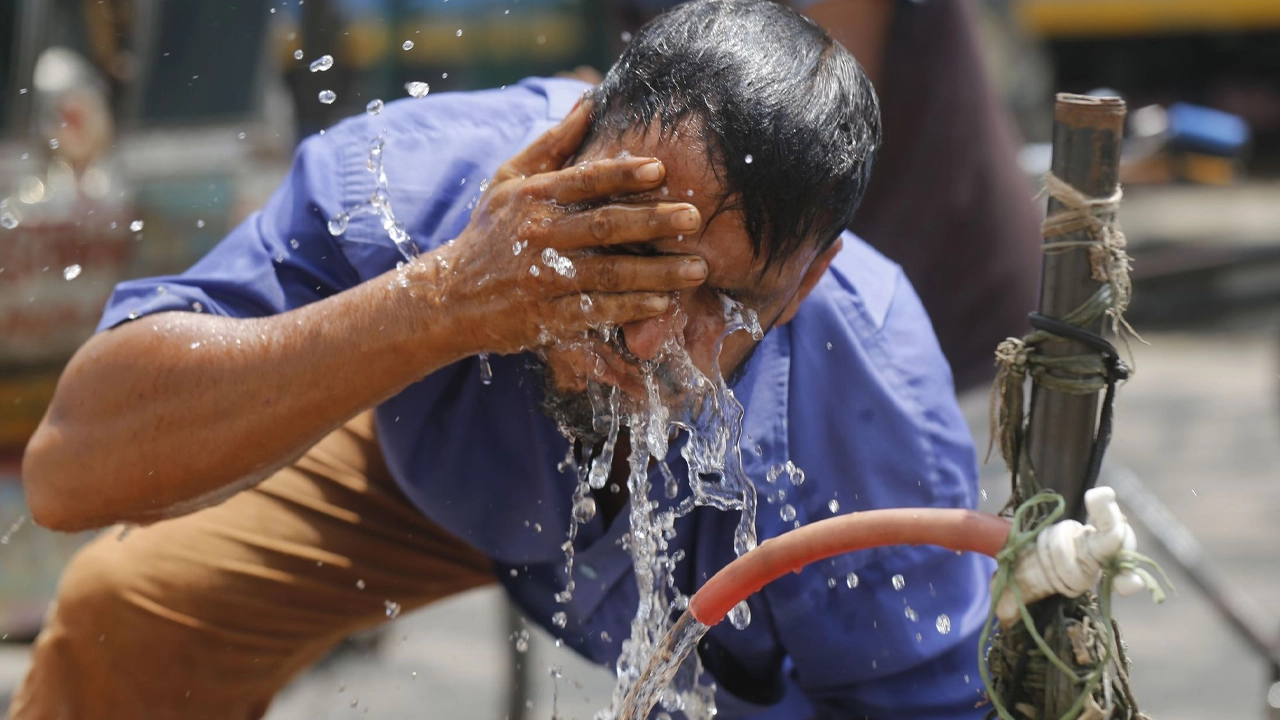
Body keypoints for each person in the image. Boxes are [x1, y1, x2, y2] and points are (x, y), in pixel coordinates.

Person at [15, 1, 992, 718]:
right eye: (630, 258)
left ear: (805, 285)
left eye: (722, 304)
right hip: (426, 433)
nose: (652, 340)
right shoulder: (413, 195)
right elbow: (70, 469)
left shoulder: (865, 404)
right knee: (131, 611)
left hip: (700, 524)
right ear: (563, 164)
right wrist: (440, 303)